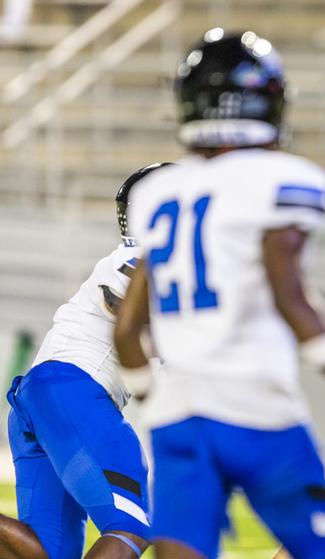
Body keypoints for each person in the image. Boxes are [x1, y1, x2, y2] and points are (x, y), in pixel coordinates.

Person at [113, 30, 325, 559]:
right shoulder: (280, 179)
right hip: (259, 411)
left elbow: (128, 330)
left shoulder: (156, 193)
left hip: (181, 418)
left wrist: (155, 406)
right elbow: (292, 299)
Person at [2, 164, 169, 559]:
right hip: (70, 391)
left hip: (44, 399)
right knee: (132, 524)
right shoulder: (140, 258)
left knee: (50, 552)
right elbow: (122, 305)